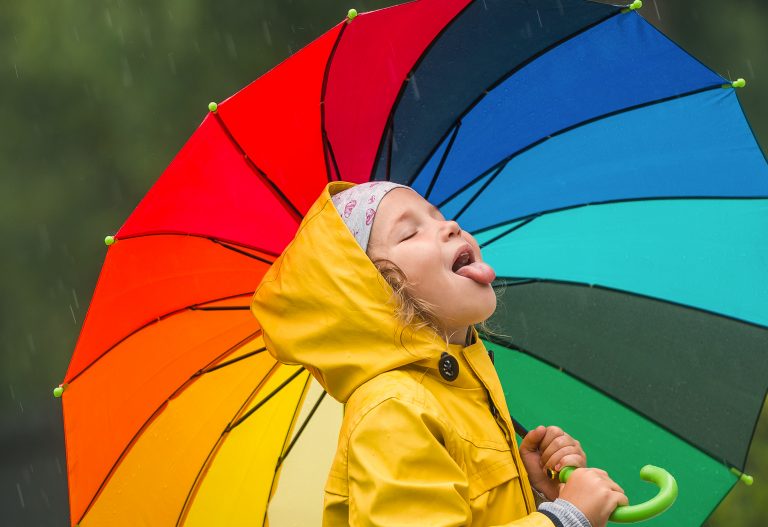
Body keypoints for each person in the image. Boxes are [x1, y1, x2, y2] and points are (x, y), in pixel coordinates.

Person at [251, 181, 628, 527]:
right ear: (375, 292)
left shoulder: (460, 387)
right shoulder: (393, 411)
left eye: (439, 215)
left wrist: (535, 493)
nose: (450, 225)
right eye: (410, 232)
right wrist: (564, 518)